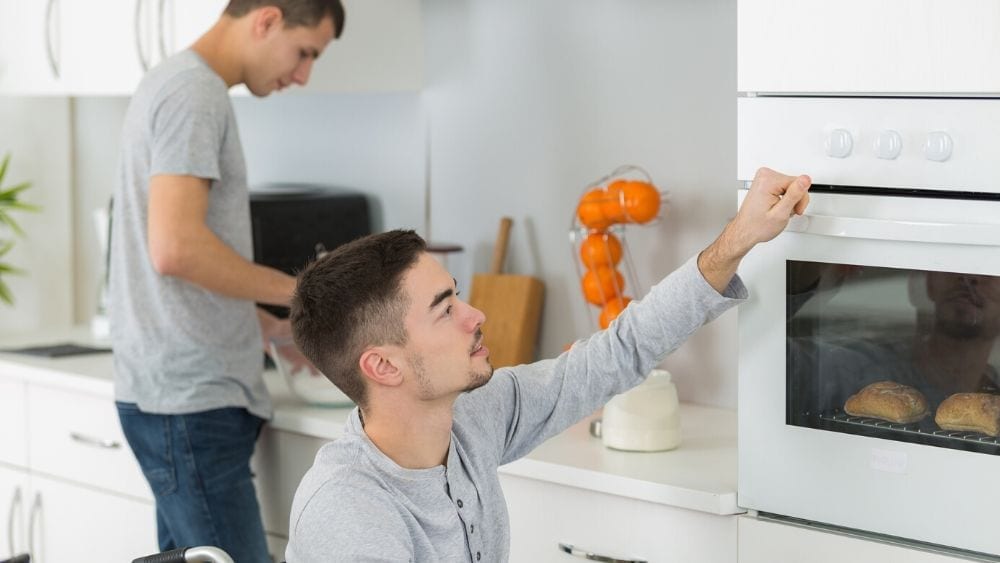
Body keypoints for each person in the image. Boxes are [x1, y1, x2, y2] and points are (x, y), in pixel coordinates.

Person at [283, 167, 812, 561]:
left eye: (458, 296)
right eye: (445, 311)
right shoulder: (349, 516)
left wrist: (737, 240)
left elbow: (616, 353)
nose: (476, 315)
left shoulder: (471, 421)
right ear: (383, 367)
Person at [109, 2, 345, 561]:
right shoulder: (196, 93)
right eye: (305, 51)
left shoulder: (176, 82)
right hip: (192, 401)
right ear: (265, 19)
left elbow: (173, 257)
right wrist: (306, 293)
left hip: (174, 392)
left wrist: (260, 325)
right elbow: (176, 248)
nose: (304, 73)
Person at [789, 263, 1000, 417]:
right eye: (951, 264)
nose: (969, 277)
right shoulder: (857, 372)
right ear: (920, 285)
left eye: (988, 269)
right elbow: (775, 364)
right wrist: (806, 273)